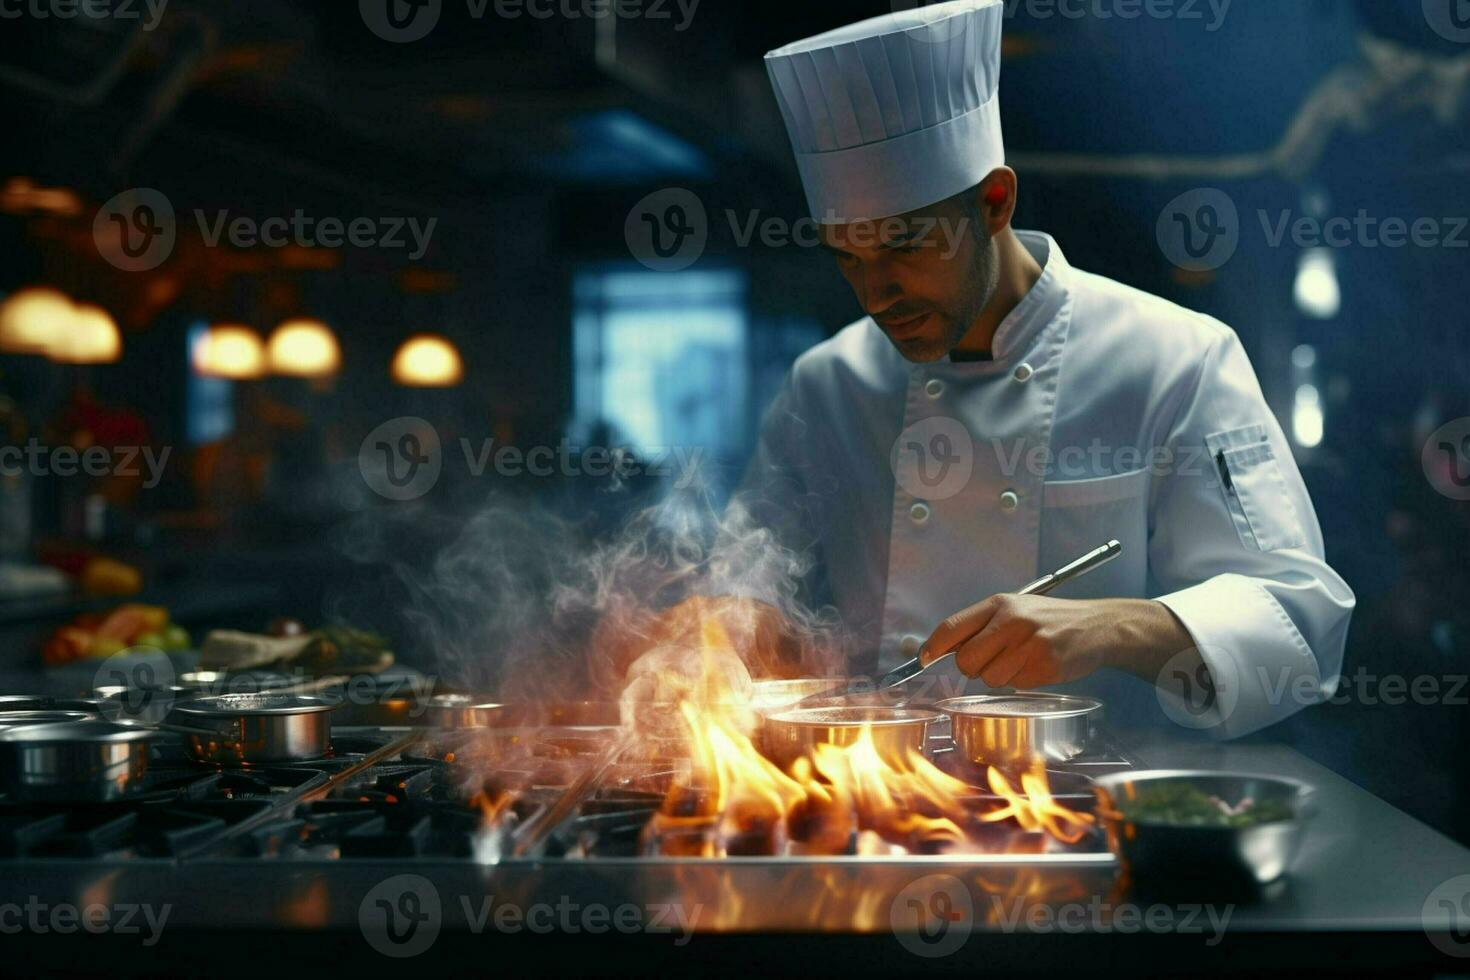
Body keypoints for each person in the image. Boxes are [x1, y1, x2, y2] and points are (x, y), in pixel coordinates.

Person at [642, 0, 1353, 737]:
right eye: (848, 257)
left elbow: (1300, 628)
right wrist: (717, 629)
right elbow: (749, 587)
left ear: (993, 202)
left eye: (904, 248)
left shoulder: (1178, 359)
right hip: (883, 813)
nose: (875, 293)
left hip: (1097, 813)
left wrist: (1111, 626)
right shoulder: (825, 385)